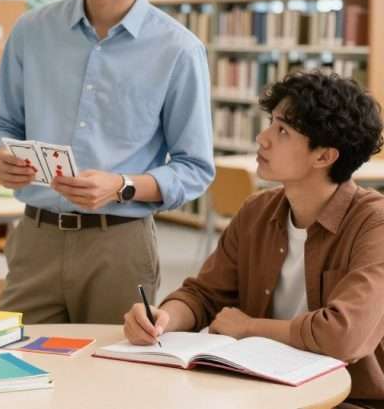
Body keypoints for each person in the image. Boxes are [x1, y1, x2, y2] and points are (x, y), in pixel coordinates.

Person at [0, 0, 215, 324]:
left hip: (120, 245)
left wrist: (122, 185)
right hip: (36, 236)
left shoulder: (178, 50)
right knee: (15, 380)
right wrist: (0, 153)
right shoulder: (33, 31)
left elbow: (194, 168)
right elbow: (0, 122)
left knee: (115, 383)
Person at [124, 71, 384, 408]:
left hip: (349, 399)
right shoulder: (257, 211)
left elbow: (343, 335)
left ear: (324, 157)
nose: (262, 138)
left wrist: (249, 327)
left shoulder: (373, 224)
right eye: (270, 123)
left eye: (282, 131)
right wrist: (162, 319)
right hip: (259, 389)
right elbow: (203, 294)